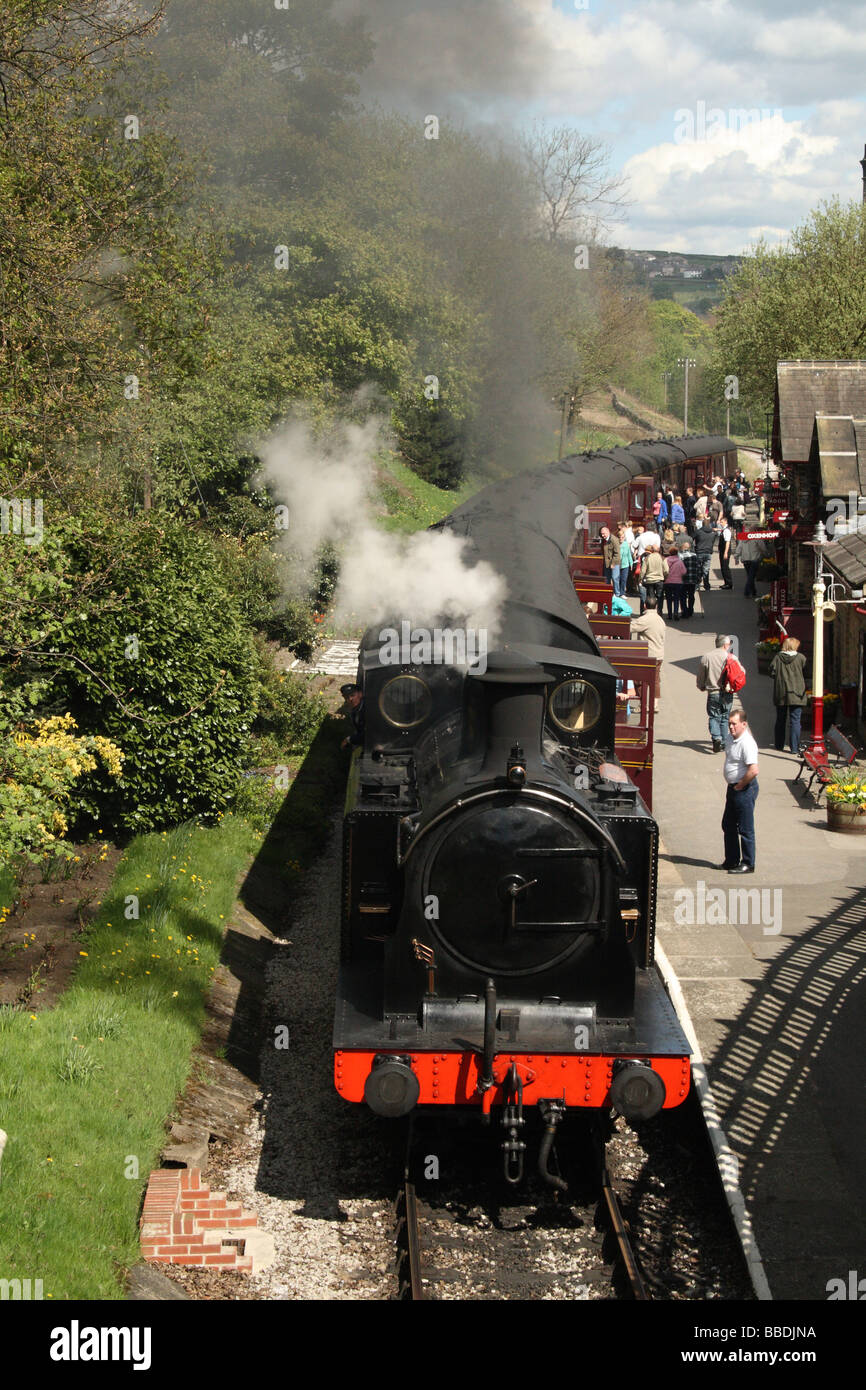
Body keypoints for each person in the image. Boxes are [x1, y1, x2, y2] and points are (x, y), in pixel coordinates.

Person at [721, 708, 759, 873]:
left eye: (734, 724)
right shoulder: (731, 738)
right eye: (729, 724)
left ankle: (748, 863)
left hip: (744, 788)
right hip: (733, 787)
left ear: (744, 724)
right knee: (728, 824)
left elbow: (753, 770)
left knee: (745, 827)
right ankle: (731, 860)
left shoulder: (747, 743)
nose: (731, 727)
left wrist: (741, 785)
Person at [769, 636, 808, 755]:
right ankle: (794, 747)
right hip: (797, 693)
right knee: (795, 721)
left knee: (780, 719)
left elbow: (772, 672)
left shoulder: (777, 658)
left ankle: (779, 745)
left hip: (781, 693)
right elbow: (806, 672)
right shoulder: (801, 658)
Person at [697, 634, 733, 752]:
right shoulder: (731, 657)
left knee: (714, 716)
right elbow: (741, 671)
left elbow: (701, 674)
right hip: (727, 692)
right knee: (724, 717)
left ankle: (716, 738)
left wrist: (701, 685)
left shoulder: (707, 657)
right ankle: (723, 742)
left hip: (713, 692)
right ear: (725, 645)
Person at [630, 596, 665, 711]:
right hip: (658, 654)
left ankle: (643, 703)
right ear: (656, 606)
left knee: (639, 679)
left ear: (644, 605)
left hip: (647, 655)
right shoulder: (660, 619)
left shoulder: (645, 619)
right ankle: (654, 704)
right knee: (655, 680)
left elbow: (630, 628)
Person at [639, 544, 668, 613]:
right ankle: (659, 611)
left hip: (650, 580)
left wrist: (640, 578)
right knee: (660, 597)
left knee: (651, 597)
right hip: (660, 580)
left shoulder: (647, 558)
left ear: (652, 550)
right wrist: (665, 577)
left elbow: (643, 570)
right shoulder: (662, 558)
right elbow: (666, 570)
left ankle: (651, 611)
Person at [663, 547, 687, 620]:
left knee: (669, 599)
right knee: (676, 598)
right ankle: (676, 613)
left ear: (670, 553)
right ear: (677, 553)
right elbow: (684, 572)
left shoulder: (666, 560)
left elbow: (664, 570)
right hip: (678, 582)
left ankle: (670, 614)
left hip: (668, 581)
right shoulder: (680, 561)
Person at [340, 683, 365, 750]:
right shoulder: (355, 710)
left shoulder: (366, 709)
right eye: (347, 697)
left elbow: (368, 733)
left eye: (352, 695)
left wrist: (349, 739)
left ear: (360, 694)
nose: (350, 699)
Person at [679, 538, 700, 618]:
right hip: (693, 579)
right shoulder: (695, 556)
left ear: (683, 548)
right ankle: (690, 610)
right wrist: (699, 577)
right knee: (691, 595)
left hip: (684, 579)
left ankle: (684, 611)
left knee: (683, 596)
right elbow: (698, 567)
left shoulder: (680, 556)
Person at [694, 517, 716, 591]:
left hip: (699, 552)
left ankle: (697, 585)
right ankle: (707, 585)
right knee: (706, 569)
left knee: (698, 569)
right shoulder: (713, 533)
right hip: (708, 552)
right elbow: (712, 542)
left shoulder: (698, 532)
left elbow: (693, 538)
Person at [599, 525, 619, 591]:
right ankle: (607, 593)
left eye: (603, 534)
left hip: (614, 563)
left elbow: (617, 553)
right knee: (607, 579)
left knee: (614, 578)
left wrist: (613, 563)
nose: (602, 535)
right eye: (601, 534)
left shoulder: (614, 540)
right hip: (606, 563)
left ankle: (617, 593)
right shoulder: (603, 540)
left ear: (608, 532)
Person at [616, 524, 632, 597]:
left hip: (625, 564)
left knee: (624, 579)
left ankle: (622, 593)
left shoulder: (626, 544)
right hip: (617, 564)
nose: (621, 539)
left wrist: (631, 563)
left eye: (622, 537)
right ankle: (617, 592)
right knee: (617, 579)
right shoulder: (616, 545)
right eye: (620, 537)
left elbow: (629, 554)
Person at [718, 518, 733, 589]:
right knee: (723, 567)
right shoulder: (724, 530)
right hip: (722, 551)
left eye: (722, 522)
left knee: (725, 567)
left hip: (725, 551)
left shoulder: (726, 531)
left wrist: (726, 552)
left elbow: (727, 542)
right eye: (720, 522)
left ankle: (729, 583)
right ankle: (726, 582)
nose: (721, 523)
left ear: (726, 522)